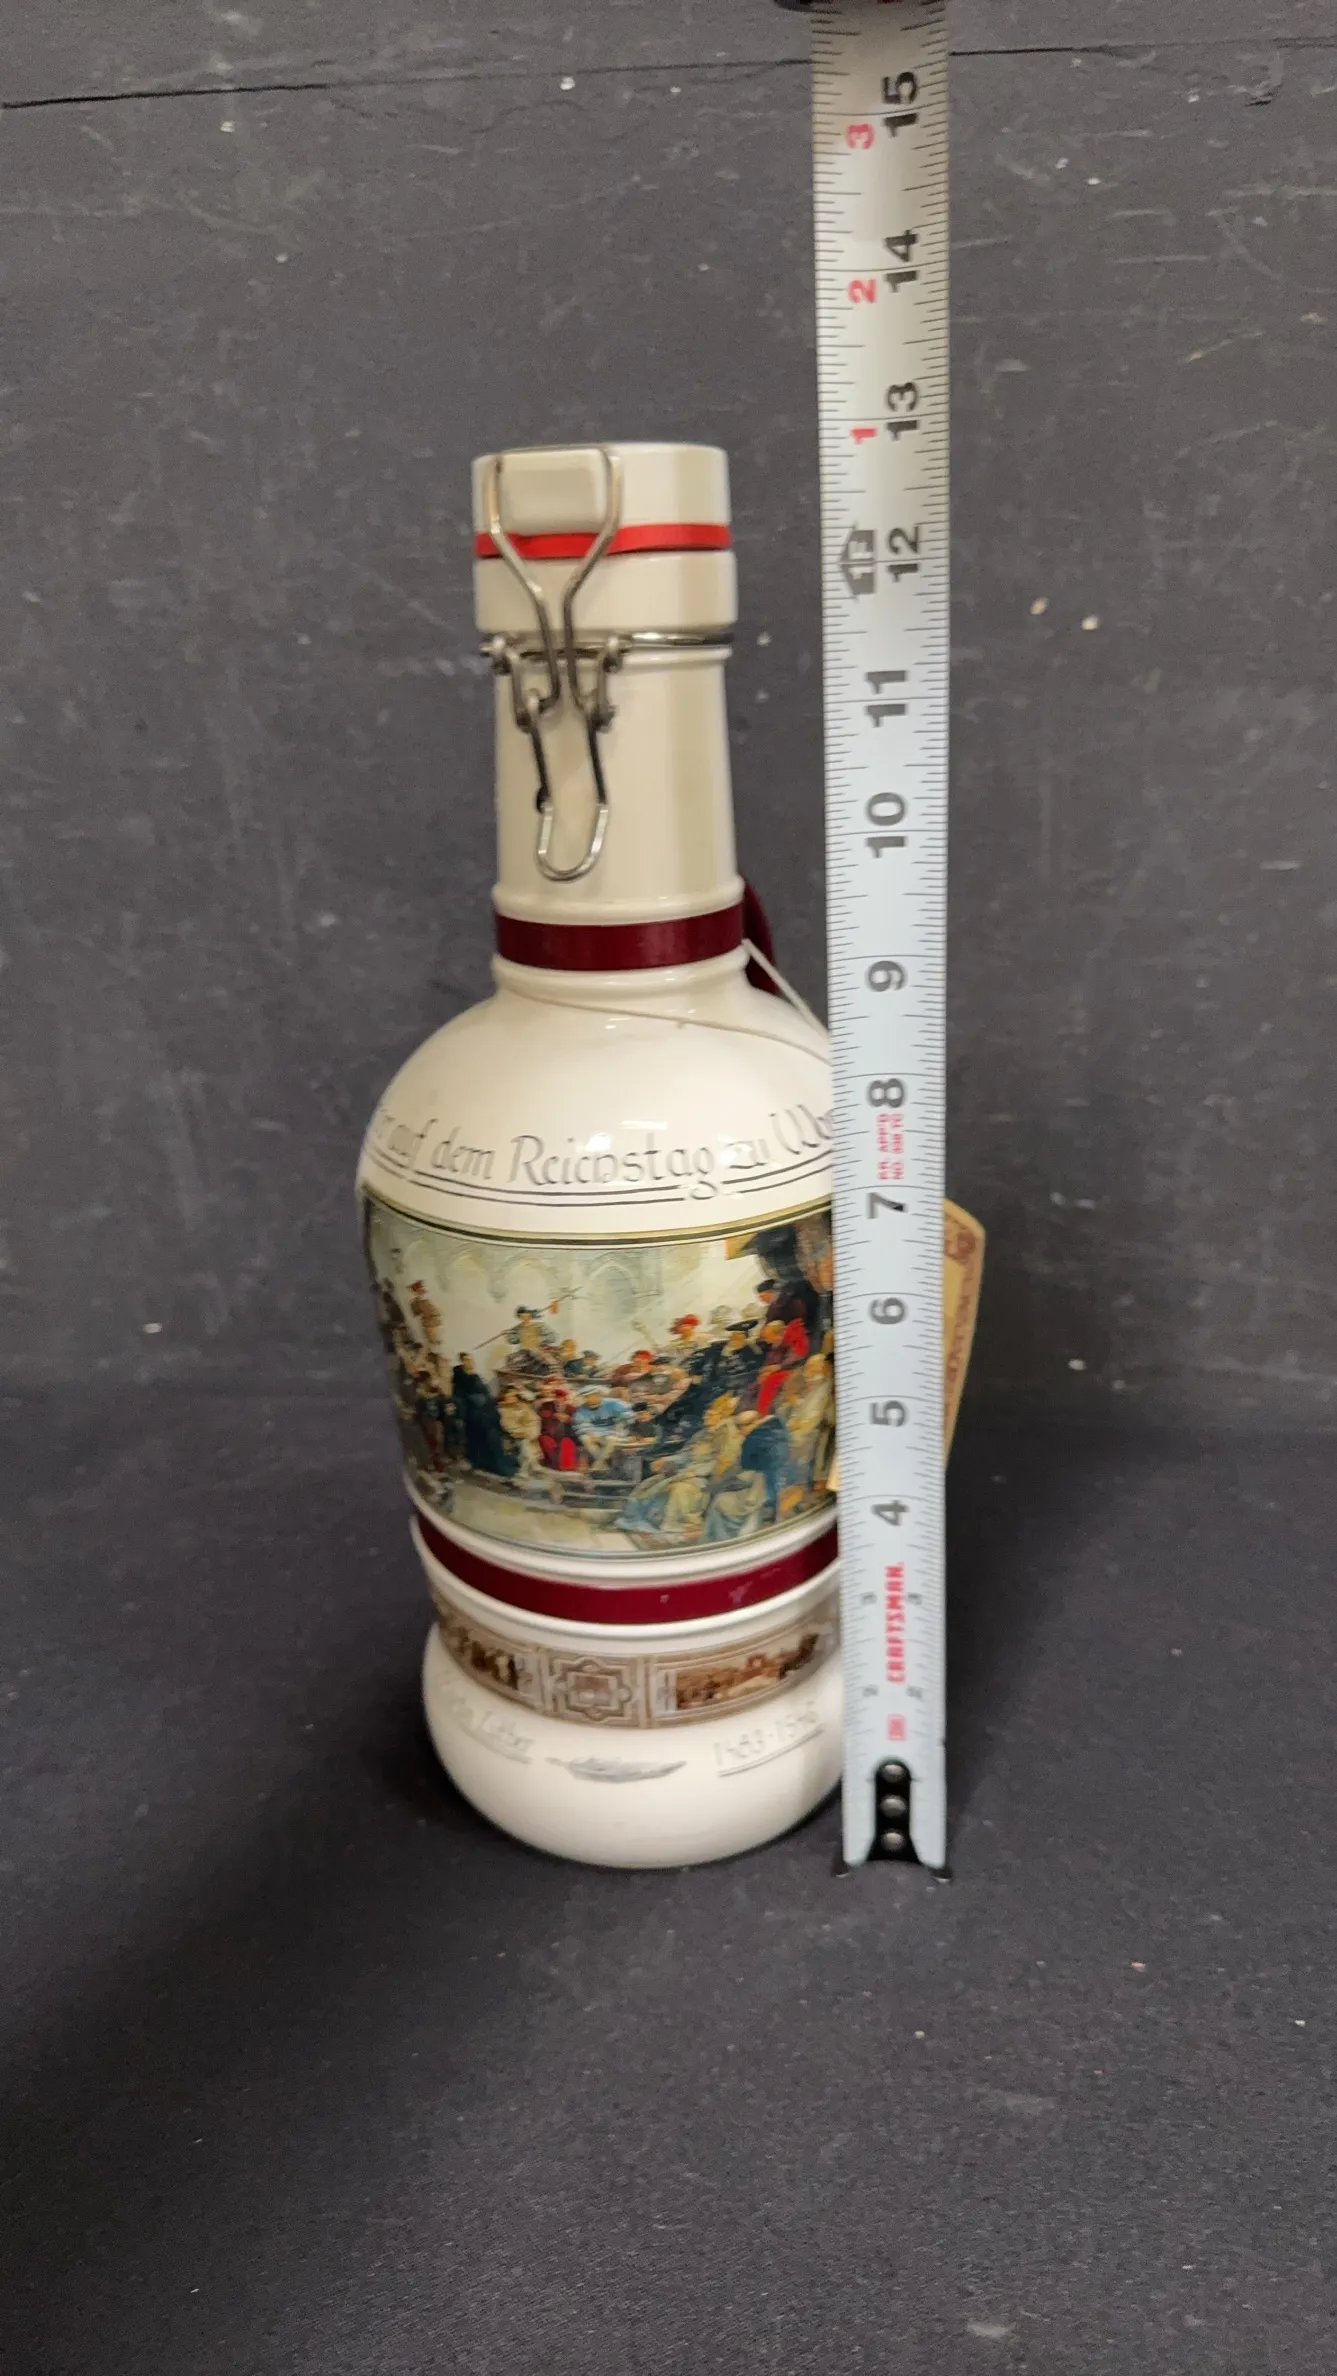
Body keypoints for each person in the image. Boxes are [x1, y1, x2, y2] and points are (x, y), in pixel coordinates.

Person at [451, 1352, 516, 1477]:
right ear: (462, 1362)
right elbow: (459, 1398)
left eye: (471, 1360)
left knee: (493, 1436)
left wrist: (491, 1403)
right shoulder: (460, 1378)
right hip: (474, 1414)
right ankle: (490, 1464)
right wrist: (462, 1415)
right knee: (486, 1437)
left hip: (486, 1412)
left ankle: (494, 1462)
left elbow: (486, 1393)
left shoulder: (475, 1376)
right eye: (467, 1360)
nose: (471, 1362)